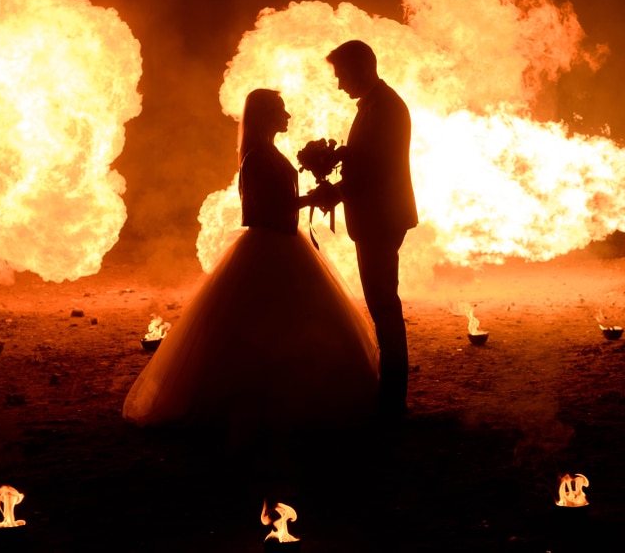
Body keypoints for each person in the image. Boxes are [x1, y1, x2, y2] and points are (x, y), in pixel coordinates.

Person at [122, 88, 379, 443]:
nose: (287, 116)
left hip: (285, 244)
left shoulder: (269, 152)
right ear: (267, 116)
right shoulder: (257, 157)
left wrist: (312, 195)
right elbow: (259, 213)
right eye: (281, 110)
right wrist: (311, 198)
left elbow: (281, 204)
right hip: (270, 248)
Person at [320, 40, 418, 418]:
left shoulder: (385, 108)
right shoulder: (379, 105)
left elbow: (376, 170)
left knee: (383, 307)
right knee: (382, 306)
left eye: (342, 75)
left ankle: (393, 400)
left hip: (381, 218)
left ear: (363, 67)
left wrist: (334, 191)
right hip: (380, 216)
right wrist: (339, 156)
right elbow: (368, 159)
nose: (341, 84)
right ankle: (391, 395)